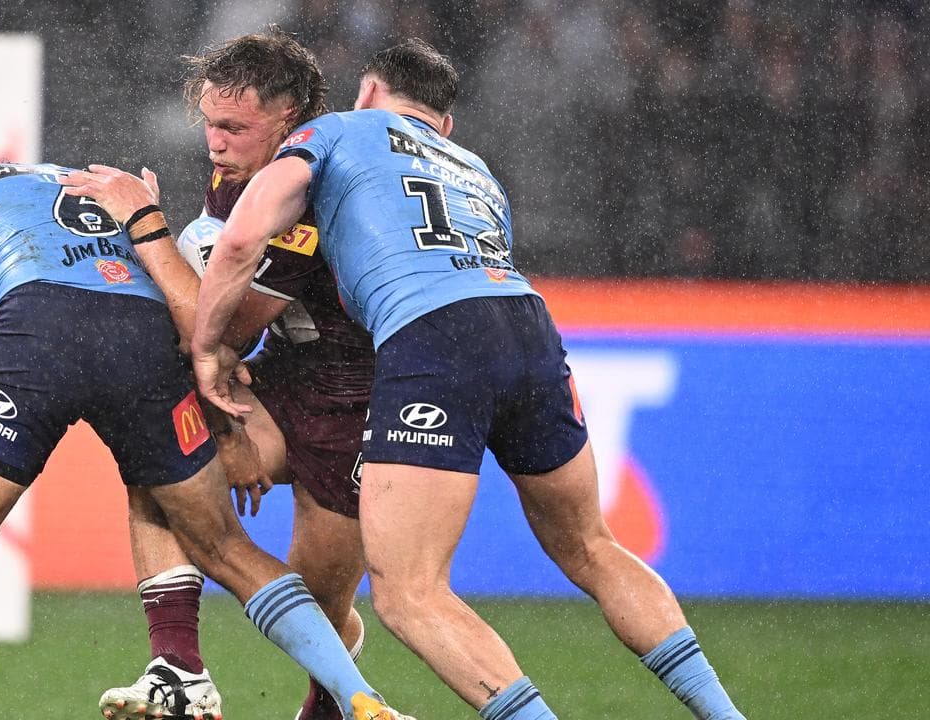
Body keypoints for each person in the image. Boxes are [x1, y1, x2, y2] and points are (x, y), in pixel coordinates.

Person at [191, 40, 747, 720]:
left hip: (432, 335)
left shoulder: (333, 131)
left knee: (410, 592)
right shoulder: (475, 169)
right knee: (591, 546)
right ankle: (725, 714)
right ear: (442, 124)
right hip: (528, 323)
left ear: (366, 92)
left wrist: (206, 347)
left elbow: (244, 239)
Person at [0, 161, 412, 720]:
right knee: (225, 547)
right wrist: (225, 429)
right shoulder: (117, 192)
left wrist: (14, 390)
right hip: (150, 334)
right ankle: (359, 695)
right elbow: (192, 323)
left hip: (36, 329)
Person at [70, 30, 375, 720]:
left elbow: (223, 326)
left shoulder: (320, 190)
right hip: (284, 377)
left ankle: (330, 705)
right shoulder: (237, 171)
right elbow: (216, 322)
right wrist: (228, 424)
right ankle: (177, 667)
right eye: (210, 123)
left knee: (319, 612)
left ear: (291, 116)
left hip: (358, 407)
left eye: (235, 127)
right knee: (162, 458)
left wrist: (145, 227)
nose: (216, 142)